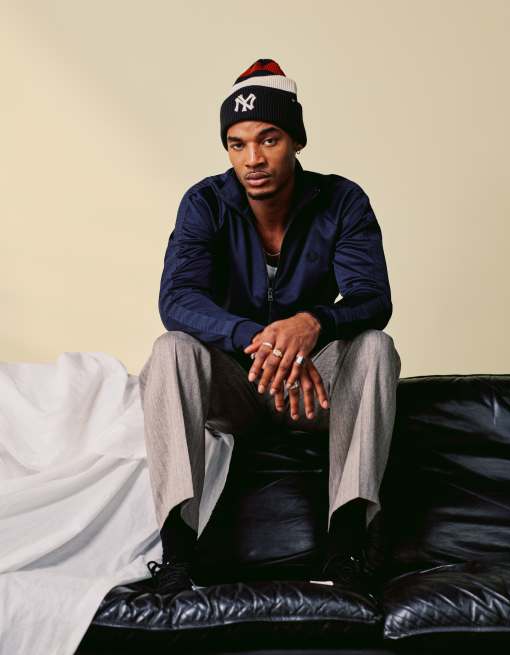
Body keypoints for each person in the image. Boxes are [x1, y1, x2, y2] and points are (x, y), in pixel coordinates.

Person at [139, 58, 401, 598]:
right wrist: (260, 339)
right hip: (235, 384)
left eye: (269, 140)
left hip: (312, 391)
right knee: (171, 349)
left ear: (297, 141)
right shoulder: (205, 202)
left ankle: (347, 547)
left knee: (376, 346)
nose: (252, 159)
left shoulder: (342, 200)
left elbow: (373, 298)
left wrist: (312, 323)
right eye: (236, 144)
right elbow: (178, 299)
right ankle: (177, 554)